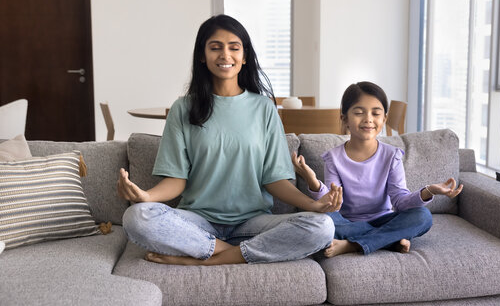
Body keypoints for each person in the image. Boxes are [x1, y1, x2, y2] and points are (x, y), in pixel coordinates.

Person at [117, 14, 342, 266]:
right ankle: (230, 251)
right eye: (215, 48)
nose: (225, 55)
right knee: (136, 217)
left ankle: (209, 258)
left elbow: (275, 180)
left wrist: (314, 205)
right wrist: (146, 197)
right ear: (202, 56)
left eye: (234, 48)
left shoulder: (264, 108)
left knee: (322, 226)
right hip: (197, 222)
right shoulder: (183, 109)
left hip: (253, 223)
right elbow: (176, 181)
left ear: (244, 57)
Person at [292, 81, 463, 257]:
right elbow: (331, 205)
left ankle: (353, 245)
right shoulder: (333, 158)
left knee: (422, 217)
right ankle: (388, 239)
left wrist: (430, 190)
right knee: (321, 222)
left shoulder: (391, 155)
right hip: (347, 222)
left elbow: (400, 202)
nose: (368, 119)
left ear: (384, 119)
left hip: (383, 220)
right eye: (359, 113)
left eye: (376, 113)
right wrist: (312, 181)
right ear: (344, 119)